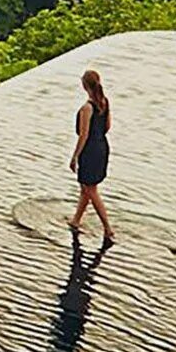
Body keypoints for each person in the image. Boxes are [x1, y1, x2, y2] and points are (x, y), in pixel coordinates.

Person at [68, 68, 115, 244]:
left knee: (91, 190)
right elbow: (108, 126)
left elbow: (83, 134)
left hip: (90, 150)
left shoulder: (87, 108)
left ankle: (108, 229)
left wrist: (74, 157)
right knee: (85, 188)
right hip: (102, 146)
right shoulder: (104, 102)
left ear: (84, 85)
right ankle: (75, 221)